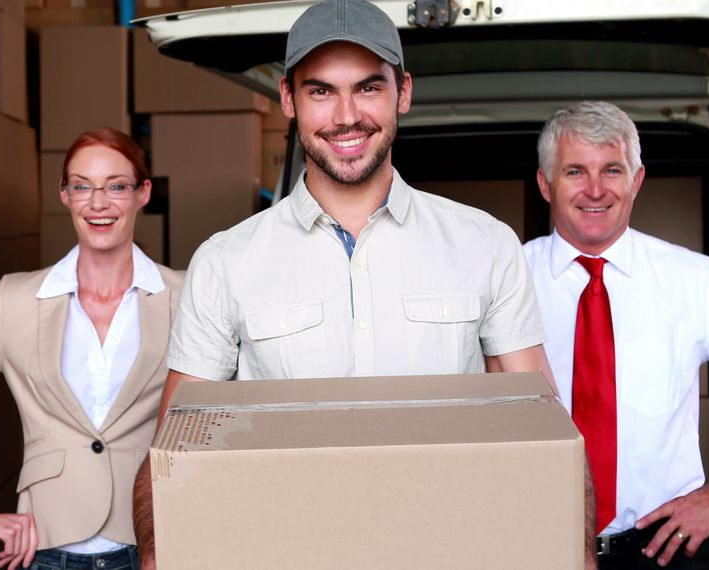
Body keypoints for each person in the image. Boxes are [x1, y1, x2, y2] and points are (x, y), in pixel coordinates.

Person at [132, 0, 584, 567]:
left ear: (403, 93)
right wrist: (155, 558)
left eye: (368, 88)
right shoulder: (226, 262)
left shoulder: (485, 246)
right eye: (321, 91)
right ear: (288, 100)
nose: (346, 115)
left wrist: (577, 555)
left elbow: (546, 434)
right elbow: (172, 451)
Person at [524, 101, 709, 569]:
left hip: (658, 552)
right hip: (533, 545)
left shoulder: (696, 281)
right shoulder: (507, 280)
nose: (595, 190)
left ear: (637, 180)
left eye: (612, 170)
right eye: (574, 172)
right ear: (546, 184)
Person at [0, 128, 182, 570]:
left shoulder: (184, 295)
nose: (99, 203)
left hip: (155, 542)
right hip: (47, 547)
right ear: (64, 195)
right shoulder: (17, 301)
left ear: (142, 193)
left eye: (117, 186)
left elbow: (224, 413)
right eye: (82, 186)